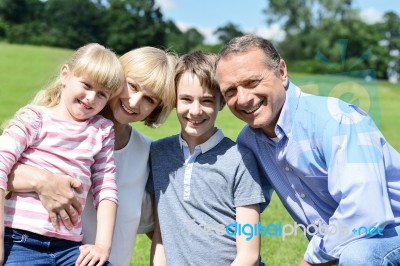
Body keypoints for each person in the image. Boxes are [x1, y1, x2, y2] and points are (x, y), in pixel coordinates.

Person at [215, 34, 400, 265]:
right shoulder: (249, 141)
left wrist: (311, 261)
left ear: (281, 72)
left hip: (390, 232)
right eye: (230, 91)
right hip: (342, 246)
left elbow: (366, 214)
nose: (243, 99)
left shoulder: (335, 120)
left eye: (252, 82)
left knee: (358, 255)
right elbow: (241, 204)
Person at [7, 46, 178, 265]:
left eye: (150, 99)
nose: (135, 102)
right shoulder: (50, 123)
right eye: (132, 86)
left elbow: (161, 228)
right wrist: (42, 181)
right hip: (31, 245)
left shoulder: (149, 153)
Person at [0, 43, 125, 265]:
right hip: (20, 240)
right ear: (65, 75)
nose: (90, 98)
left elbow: (106, 189)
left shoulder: (102, 130)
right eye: (86, 85)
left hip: (70, 248)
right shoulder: (35, 118)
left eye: (102, 95)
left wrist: (102, 246)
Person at [147, 51, 266, 266]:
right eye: (186, 99)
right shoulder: (158, 152)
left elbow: (249, 254)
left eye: (207, 100)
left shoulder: (240, 159)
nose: (195, 110)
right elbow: (161, 236)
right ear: (174, 100)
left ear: (221, 103)